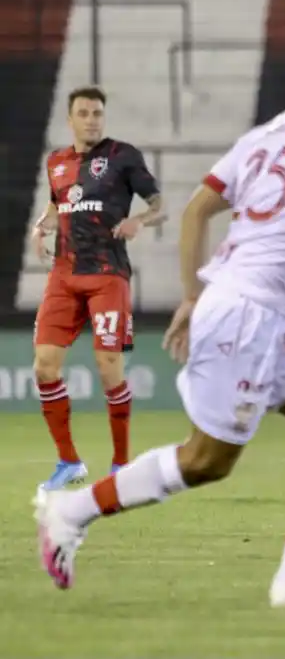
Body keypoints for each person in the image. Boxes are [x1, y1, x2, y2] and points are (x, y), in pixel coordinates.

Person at [34, 27, 285, 607]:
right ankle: (71, 510)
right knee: (206, 461)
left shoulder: (270, 130)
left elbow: (197, 210)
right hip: (250, 308)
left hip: (276, 304)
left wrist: (195, 296)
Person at [31, 86, 165, 490]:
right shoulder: (56, 161)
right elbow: (58, 205)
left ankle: (121, 465)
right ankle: (68, 461)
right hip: (64, 275)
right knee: (44, 368)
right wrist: (43, 225)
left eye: (97, 113)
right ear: (70, 119)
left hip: (107, 274)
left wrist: (140, 220)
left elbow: (160, 204)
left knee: (109, 370)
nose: (91, 119)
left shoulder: (122, 156)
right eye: (84, 113)